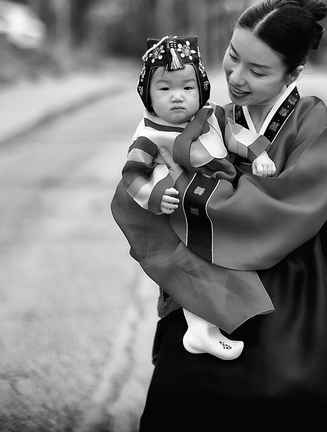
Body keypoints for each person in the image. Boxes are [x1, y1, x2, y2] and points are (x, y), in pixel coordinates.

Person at [112, 0, 327, 431]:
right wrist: (153, 185)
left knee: (310, 394)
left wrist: (188, 190)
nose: (237, 77)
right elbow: (142, 181)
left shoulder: (314, 122)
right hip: (215, 267)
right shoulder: (209, 117)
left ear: (295, 72)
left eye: (258, 70)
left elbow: (286, 205)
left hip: (304, 263)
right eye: (232, 56)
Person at [111, 35, 276, 361]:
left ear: (201, 88)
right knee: (196, 266)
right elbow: (132, 175)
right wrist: (155, 197)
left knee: (226, 261)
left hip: (221, 199)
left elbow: (237, 136)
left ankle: (209, 327)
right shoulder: (149, 134)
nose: (177, 97)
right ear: (147, 94)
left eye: (187, 88)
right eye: (164, 89)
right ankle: (201, 328)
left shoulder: (212, 116)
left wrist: (259, 154)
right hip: (182, 207)